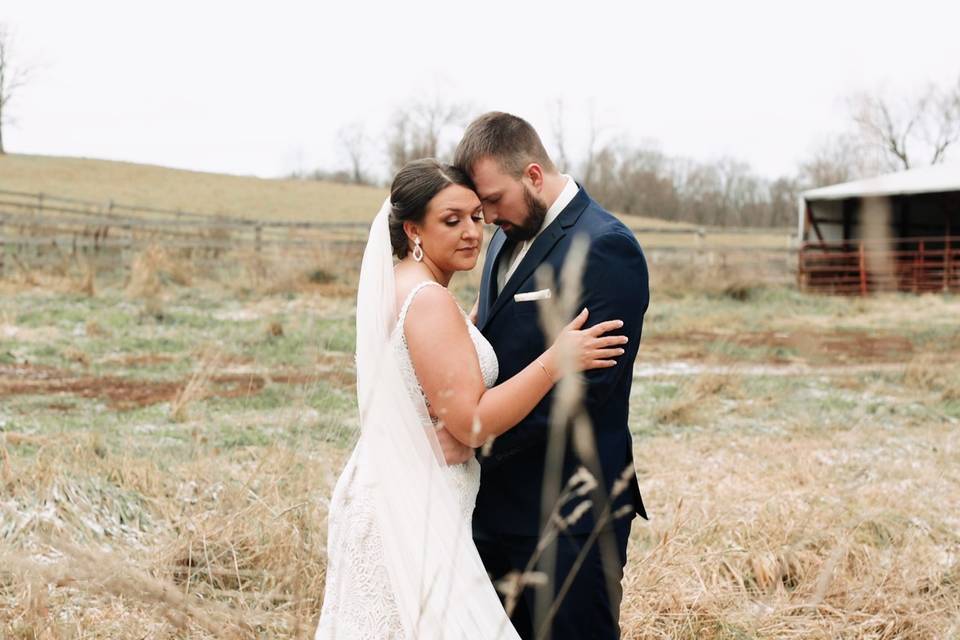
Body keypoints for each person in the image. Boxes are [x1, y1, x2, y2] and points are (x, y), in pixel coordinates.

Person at [315, 158, 628, 639]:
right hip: (412, 502)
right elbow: (472, 425)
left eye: (476, 217)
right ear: (414, 229)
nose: (472, 233)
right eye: (451, 220)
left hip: (392, 487)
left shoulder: (399, 286)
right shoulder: (429, 300)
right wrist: (555, 359)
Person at [452, 112, 649, 640]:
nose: (486, 218)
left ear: (533, 176)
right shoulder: (503, 235)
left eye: (492, 201)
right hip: (492, 506)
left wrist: (476, 438)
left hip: (571, 514)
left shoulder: (608, 247)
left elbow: (587, 391)